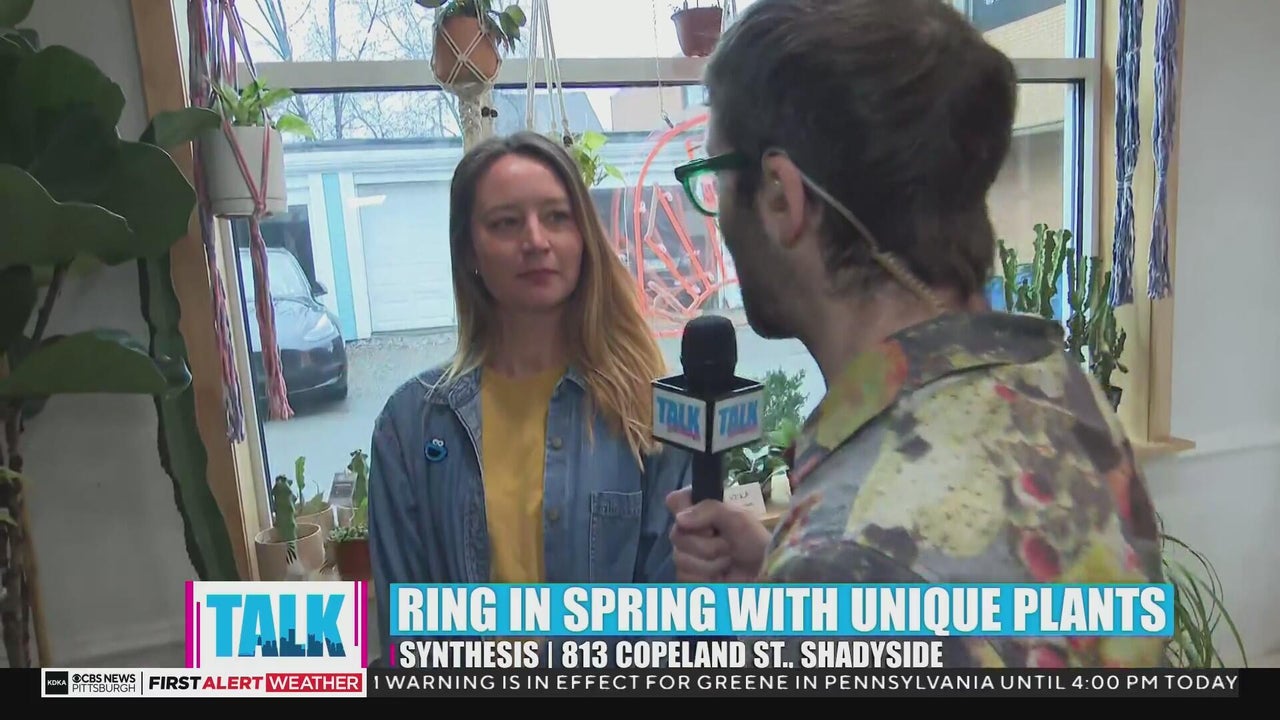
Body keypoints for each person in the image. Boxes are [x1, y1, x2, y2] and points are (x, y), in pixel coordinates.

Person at [666, 0, 1166, 668]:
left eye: (715, 180)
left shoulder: (846, 563)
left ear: (782, 196)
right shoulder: (1060, 394)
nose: (719, 217)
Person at [368, 131, 691, 660]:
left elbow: (672, 617)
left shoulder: (651, 411)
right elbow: (408, 633)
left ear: (584, 238)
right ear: (469, 250)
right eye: (505, 223)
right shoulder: (410, 427)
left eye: (557, 217)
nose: (536, 240)